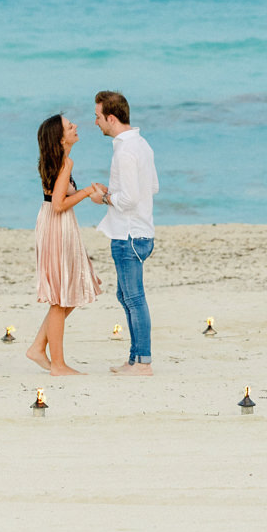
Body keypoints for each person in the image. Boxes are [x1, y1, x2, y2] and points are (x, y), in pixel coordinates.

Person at [26, 113, 107, 376]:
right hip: (56, 227)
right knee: (61, 297)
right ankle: (58, 365)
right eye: (69, 126)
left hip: (56, 225)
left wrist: (89, 190)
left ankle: (39, 347)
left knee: (67, 293)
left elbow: (59, 196)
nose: (75, 127)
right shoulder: (64, 164)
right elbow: (59, 204)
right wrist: (86, 192)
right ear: (60, 139)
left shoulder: (61, 162)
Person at [92, 90, 159, 375]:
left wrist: (105, 199)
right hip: (138, 230)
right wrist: (115, 193)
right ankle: (134, 359)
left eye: (98, 117)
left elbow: (130, 199)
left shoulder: (125, 150)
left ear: (111, 117)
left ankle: (143, 362)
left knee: (133, 298)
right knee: (126, 295)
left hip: (129, 234)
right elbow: (151, 187)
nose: (96, 123)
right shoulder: (141, 144)